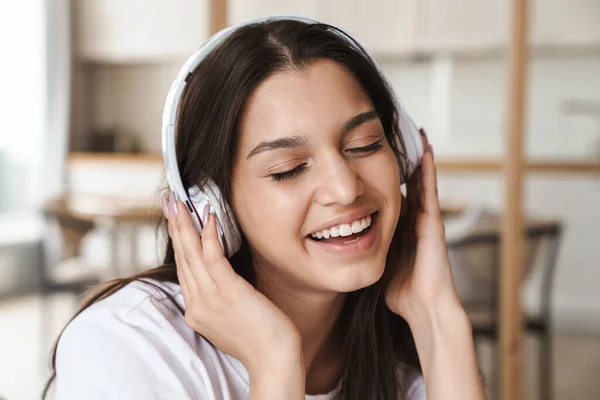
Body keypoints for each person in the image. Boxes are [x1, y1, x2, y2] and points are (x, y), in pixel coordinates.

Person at [44, 17, 485, 400]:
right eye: (288, 169)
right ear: (212, 206)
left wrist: (437, 316)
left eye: (365, 144)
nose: (345, 188)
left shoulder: (403, 362)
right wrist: (273, 364)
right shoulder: (127, 345)